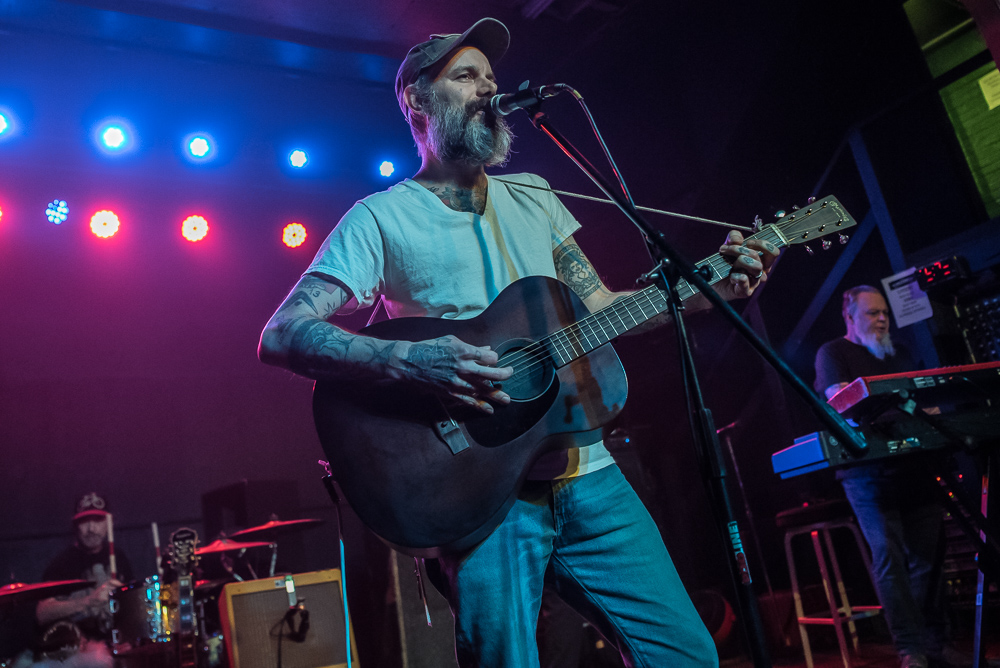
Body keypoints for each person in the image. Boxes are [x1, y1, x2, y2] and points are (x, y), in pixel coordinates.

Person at [259, 17, 778, 668]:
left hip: (590, 476)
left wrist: (716, 292)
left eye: (492, 77)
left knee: (686, 654)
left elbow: (601, 311)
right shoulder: (379, 218)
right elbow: (283, 334)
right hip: (480, 492)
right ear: (418, 100)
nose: (488, 87)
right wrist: (413, 360)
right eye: (466, 75)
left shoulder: (535, 197)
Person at [814, 286, 946, 668]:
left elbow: (925, 404)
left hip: (914, 467)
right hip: (868, 474)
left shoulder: (899, 353)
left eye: (884, 312)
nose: (882, 318)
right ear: (850, 317)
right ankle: (911, 649)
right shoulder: (834, 353)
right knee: (890, 557)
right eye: (872, 313)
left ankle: (936, 644)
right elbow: (840, 400)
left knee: (929, 558)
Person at [34, 493, 133, 668]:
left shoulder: (119, 558)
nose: (91, 529)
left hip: (115, 645)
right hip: (77, 653)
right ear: (75, 526)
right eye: (84, 522)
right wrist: (88, 601)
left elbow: (133, 605)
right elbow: (42, 613)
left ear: (109, 523)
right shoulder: (62, 564)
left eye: (98, 521)